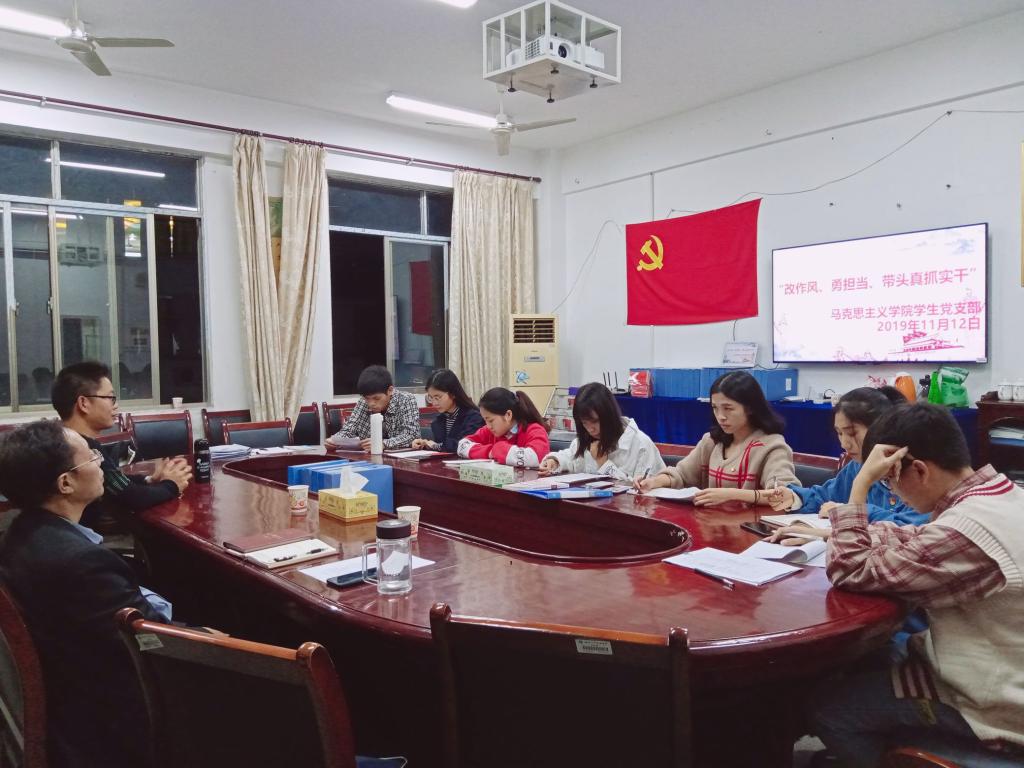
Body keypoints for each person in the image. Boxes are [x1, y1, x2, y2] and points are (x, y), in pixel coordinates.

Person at [810, 403, 1024, 766]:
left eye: (888, 482)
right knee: (868, 661)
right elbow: (912, 536)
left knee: (829, 710)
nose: (891, 491)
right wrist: (865, 533)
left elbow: (849, 569)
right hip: (993, 663)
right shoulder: (1001, 494)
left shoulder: (964, 531)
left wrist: (859, 489)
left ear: (920, 470)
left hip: (996, 701)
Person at [0, 420, 173, 767]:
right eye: (92, 457)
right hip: (107, 722)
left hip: (67, 685)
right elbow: (155, 642)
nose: (100, 463)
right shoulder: (80, 563)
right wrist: (209, 637)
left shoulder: (18, 533)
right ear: (66, 483)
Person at [766, 387, 927, 544]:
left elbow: (909, 530)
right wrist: (794, 497)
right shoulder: (857, 466)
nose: (844, 444)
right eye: (839, 433)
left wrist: (849, 511)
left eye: (851, 433)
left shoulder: (913, 471)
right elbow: (826, 495)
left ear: (879, 428)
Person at [52, 361, 191, 530]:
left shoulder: (62, 439)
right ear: (84, 403)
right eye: (110, 398)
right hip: (87, 540)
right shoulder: (82, 451)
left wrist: (149, 479)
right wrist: (172, 485)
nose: (115, 405)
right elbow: (131, 497)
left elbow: (114, 480)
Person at [635, 370, 799, 505]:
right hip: (711, 525)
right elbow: (681, 474)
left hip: (749, 528)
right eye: (715, 408)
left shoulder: (771, 445)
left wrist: (731, 495)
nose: (721, 416)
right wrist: (654, 482)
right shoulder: (712, 441)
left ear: (750, 408)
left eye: (728, 408)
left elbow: (784, 495)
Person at [538, 382, 665, 481]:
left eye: (595, 421)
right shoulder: (586, 439)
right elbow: (571, 457)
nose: (590, 429)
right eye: (584, 423)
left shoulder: (640, 445)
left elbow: (643, 490)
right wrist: (554, 461)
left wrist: (603, 463)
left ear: (609, 415)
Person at [326, 365, 419, 451]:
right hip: (368, 457)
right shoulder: (363, 402)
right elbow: (349, 429)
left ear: (390, 390)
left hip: (401, 458)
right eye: (367, 398)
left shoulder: (406, 400)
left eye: (376, 398)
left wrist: (383, 444)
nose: (371, 404)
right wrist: (334, 441)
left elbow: (412, 435)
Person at [457, 387, 550, 467]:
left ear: (508, 415)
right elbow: (462, 446)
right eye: (485, 420)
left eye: (491, 420)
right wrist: (490, 452)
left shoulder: (534, 430)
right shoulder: (489, 431)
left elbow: (536, 457)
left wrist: (499, 450)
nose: (488, 426)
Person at [410, 368, 484, 453]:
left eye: (438, 397)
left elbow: (463, 446)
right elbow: (441, 447)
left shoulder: (474, 417)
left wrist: (435, 445)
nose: (434, 403)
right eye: (431, 398)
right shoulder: (439, 420)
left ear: (453, 394)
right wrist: (424, 444)